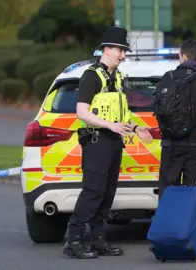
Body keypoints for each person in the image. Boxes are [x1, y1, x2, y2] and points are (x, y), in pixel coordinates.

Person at [63, 26, 153, 259]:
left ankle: (98, 240)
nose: (123, 56)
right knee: (93, 191)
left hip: (114, 141)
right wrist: (109, 125)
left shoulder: (118, 77)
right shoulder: (91, 76)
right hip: (96, 141)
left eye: (124, 51)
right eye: (120, 50)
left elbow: (122, 114)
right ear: (107, 49)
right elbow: (81, 111)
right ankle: (73, 240)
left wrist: (136, 127)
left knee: (107, 192)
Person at [155, 39, 196, 199]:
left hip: (170, 145)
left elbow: (159, 111)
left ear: (182, 55)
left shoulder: (167, 78)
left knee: (168, 193)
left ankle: (167, 223)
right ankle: (190, 224)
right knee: (194, 194)